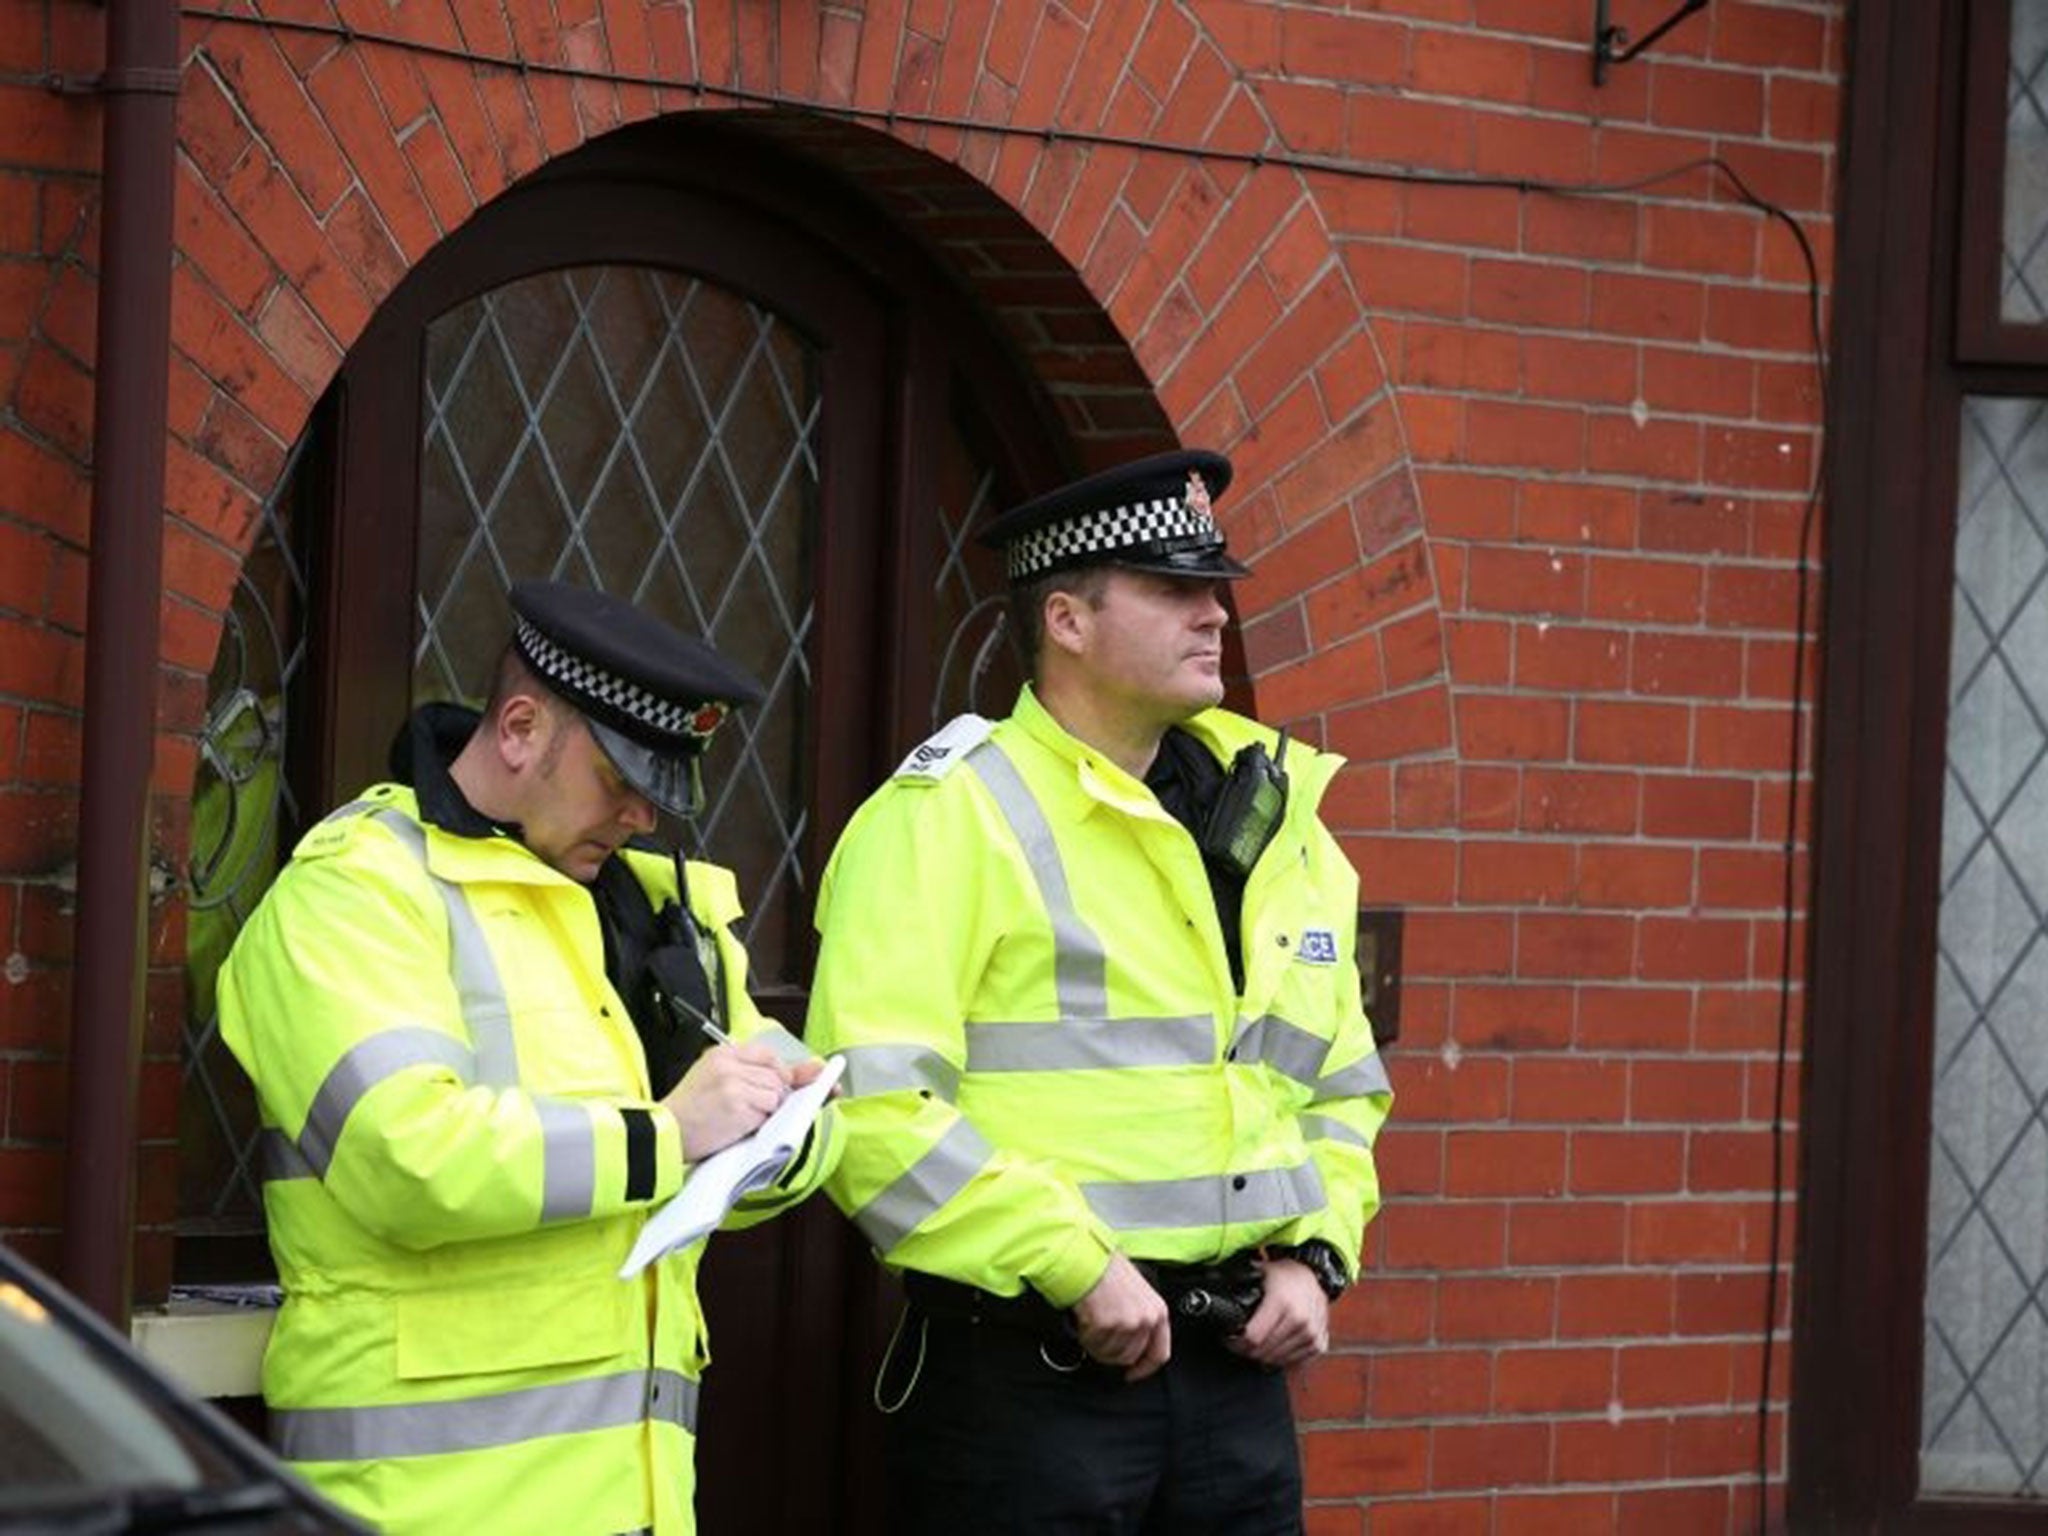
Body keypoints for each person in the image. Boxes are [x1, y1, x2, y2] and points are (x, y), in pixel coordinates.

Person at [806, 449, 1394, 1533]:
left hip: (1235, 1377)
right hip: (1036, 1374)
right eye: (1173, 589)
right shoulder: (949, 816)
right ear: (1067, 621)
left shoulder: (1277, 825)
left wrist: (1317, 1258)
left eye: (1213, 588)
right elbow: (874, 1109)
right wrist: (1073, 1266)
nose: (1213, 614)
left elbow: (1339, 1090)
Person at [219, 580, 839, 1536]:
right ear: (517, 729)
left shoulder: (654, 908)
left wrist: (785, 1128)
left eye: (658, 793)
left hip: (639, 1503)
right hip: (428, 1508)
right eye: (620, 782)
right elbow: (408, 1159)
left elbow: (799, 1102)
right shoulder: (358, 892)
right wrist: (672, 1136)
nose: (642, 818)